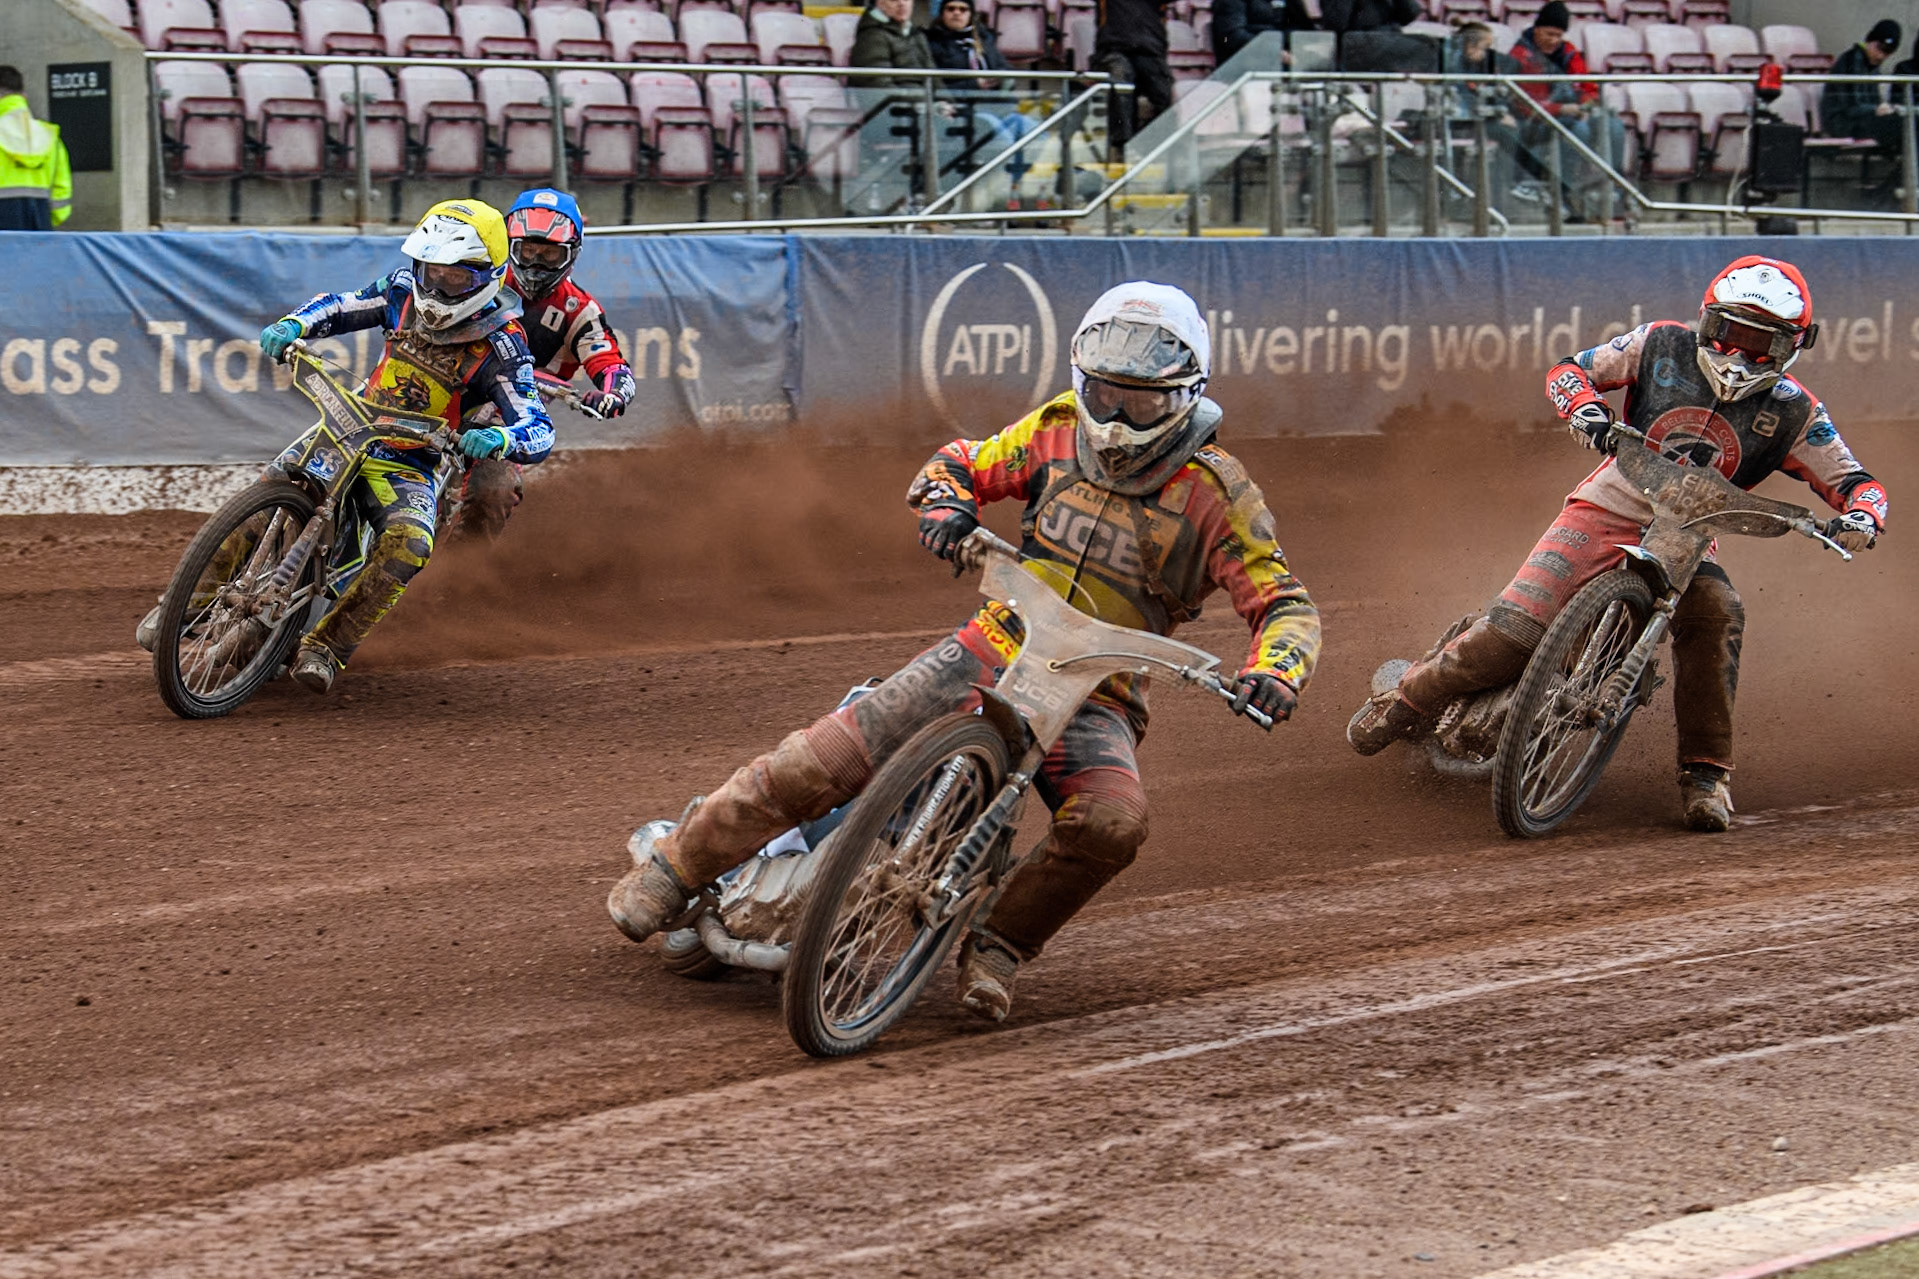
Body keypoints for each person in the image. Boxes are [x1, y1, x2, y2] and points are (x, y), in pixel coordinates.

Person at [609, 281, 1321, 1022]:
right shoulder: (1053, 429)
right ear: (1083, 380)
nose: (1114, 418)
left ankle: (999, 945)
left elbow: (1284, 603)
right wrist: (948, 501)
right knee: (820, 758)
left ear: (1183, 395)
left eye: (1138, 402)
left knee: (1112, 823)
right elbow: (961, 460)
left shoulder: (1217, 493)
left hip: (1095, 695)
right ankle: (673, 869)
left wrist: (1276, 668)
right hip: (990, 646)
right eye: (1104, 395)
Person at [1348, 256, 1888, 833]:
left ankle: (1706, 776)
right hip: (1605, 507)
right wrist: (1585, 410)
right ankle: (1405, 703)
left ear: (1793, 345)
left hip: (1688, 538)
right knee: (1510, 635)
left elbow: (1857, 482)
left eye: (1760, 345)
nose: (1738, 356)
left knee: (1718, 613)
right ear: (1707, 323)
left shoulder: (1797, 412)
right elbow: (1570, 370)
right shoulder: (1659, 343)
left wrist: (1862, 517)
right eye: (1730, 335)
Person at [256, 199, 555, 694]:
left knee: (412, 545)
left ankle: (328, 648)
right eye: (431, 271)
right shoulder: (401, 291)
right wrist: (296, 324)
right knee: (274, 482)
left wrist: (501, 437)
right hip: (350, 428)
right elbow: (343, 304)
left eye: (455, 278)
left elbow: (537, 423)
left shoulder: (502, 343)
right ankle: (192, 598)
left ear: (488, 277)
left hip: (411, 461)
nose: (437, 287)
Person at [479, 187, 637, 537]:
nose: (535, 264)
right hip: (448, 390)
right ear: (509, 246)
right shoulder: (478, 281)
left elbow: (611, 364)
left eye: (549, 255)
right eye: (528, 251)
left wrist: (612, 395)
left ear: (571, 254)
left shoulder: (579, 311)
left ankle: (460, 574)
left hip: (511, 418)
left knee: (494, 490)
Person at [1507, 1, 1628, 215]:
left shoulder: (1569, 52)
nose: (1554, 40)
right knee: (1577, 130)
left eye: (1558, 35)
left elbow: (1587, 87)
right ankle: (1563, 192)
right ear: (1537, 29)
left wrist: (1585, 105)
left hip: (1570, 113)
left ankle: (1612, 185)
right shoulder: (1520, 55)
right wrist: (1563, 110)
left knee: (1613, 125)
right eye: (1549, 34)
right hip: (1533, 122)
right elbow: (1524, 104)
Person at [924, 0, 1036, 194]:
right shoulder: (931, 43)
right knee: (1003, 137)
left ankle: (1012, 186)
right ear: (942, 13)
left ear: (970, 14)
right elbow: (939, 87)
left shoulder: (982, 40)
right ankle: (995, 192)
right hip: (963, 112)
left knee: (1033, 131)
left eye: (963, 9)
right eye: (951, 9)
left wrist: (1000, 80)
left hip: (996, 107)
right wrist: (975, 84)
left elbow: (1005, 69)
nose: (957, 13)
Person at [1445, 22, 1525, 209]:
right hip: (1460, 122)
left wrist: (1500, 111)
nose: (1489, 53)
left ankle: (1507, 191)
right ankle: (1504, 192)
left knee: (1520, 125)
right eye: (1485, 47)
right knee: (1508, 133)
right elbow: (1465, 99)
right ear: (1470, 46)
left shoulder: (1484, 65)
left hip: (1481, 118)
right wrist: (1496, 115)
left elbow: (1493, 94)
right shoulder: (1452, 65)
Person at [1093, 0, 1175, 155]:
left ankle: (1159, 147)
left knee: (1165, 92)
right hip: (1112, 49)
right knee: (1120, 78)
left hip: (1150, 50)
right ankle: (1122, 146)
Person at [0, 66, 72, 231]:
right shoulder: (49, 135)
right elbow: (62, 186)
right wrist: (50, 219)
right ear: (23, 96)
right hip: (39, 221)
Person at [1822, 20, 1903, 150]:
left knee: (1907, 123)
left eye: (1887, 53)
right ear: (1870, 41)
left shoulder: (1872, 67)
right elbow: (1850, 107)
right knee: (1899, 126)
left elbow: (1874, 103)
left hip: (1862, 120)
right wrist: (1876, 109)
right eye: (1879, 49)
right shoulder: (1850, 62)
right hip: (1842, 123)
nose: (1881, 56)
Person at [850, 0, 936, 85]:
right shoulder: (870, 36)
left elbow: (935, 79)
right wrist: (919, 99)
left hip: (924, 97)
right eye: (894, 0)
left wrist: (943, 98)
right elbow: (879, 85)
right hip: (898, 98)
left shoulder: (917, 35)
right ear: (880, 3)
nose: (901, 3)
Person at [1210, 0, 1314, 64]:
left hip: (1288, 73)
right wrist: (1273, 52)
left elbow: (1304, 31)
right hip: (1243, 76)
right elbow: (1230, 36)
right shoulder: (1230, 2)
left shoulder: (1290, 3)